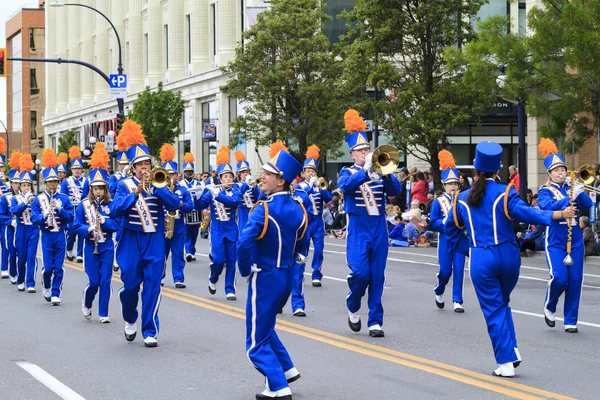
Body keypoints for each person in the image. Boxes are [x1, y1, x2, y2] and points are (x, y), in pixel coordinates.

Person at [444, 141, 575, 378]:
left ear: (475, 169)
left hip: (482, 257)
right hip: (508, 256)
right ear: (498, 169)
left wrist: (470, 248)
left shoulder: (461, 198)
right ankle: (512, 350)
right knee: (502, 304)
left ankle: (505, 362)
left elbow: (449, 229)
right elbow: (530, 213)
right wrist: (559, 214)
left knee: (494, 309)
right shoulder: (506, 191)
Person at [237, 146, 309, 400]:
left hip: (265, 276)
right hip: (286, 276)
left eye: (268, 173)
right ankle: (287, 369)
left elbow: (243, 243)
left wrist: (246, 269)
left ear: (281, 181)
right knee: (265, 327)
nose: (262, 176)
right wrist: (295, 260)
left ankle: (278, 386)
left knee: (255, 343)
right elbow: (303, 241)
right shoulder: (299, 208)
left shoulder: (263, 209)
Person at [112, 120, 180, 347]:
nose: (144, 168)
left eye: (147, 164)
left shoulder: (160, 184)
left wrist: (158, 190)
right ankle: (130, 317)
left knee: (152, 284)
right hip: (131, 240)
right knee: (131, 285)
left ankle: (150, 329)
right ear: (132, 168)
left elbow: (175, 205)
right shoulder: (124, 185)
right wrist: (136, 194)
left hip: (154, 240)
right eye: (139, 165)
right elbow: (115, 210)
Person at [338, 109, 401, 337]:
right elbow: (346, 188)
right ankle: (353, 304)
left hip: (378, 227)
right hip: (358, 227)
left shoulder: (380, 171)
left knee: (377, 275)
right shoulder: (346, 172)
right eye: (361, 151)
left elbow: (397, 192)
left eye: (367, 150)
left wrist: (385, 174)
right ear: (353, 154)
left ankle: (375, 321)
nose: (365, 153)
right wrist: (365, 173)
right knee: (360, 274)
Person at [537, 138, 594, 333]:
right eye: (557, 170)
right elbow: (546, 207)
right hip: (555, 239)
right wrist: (565, 200)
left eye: (563, 169)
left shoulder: (571, 187)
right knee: (560, 278)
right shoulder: (545, 190)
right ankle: (550, 305)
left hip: (575, 239)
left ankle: (570, 320)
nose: (561, 173)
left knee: (576, 280)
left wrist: (578, 191)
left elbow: (588, 205)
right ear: (550, 173)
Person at [73, 143, 120, 322]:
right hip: (90, 246)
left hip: (107, 246)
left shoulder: (111, 204)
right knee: (94, 281)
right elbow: (76, 226)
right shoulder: (84, 205)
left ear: (105, 189)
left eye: (101, 188)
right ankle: (87, 300)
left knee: (106, 281)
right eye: (95, 188)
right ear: (91, 189)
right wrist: (89, 228)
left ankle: (103, 313)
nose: (98, 191)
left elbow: (117, 224)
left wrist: (105, 222)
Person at [288, 144, 333, 316]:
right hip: (305, 224)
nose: (311, 174)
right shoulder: (300, 187)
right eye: (308, 171)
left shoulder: (318, 185)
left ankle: (316, 273)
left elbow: (329, 200)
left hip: (318, 221)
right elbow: (301, 198)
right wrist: (310, 186)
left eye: (313, 171)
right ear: (303, 173)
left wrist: (323, 188)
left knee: (320, 249)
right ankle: (291, 296)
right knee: (301, 255)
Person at [30, 148, 74, 305]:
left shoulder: (64, 198)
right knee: (48, 268)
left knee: (59, 267)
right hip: (47, 235)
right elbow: (33, 217)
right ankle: (47, 285)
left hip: (60, 234)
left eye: (55, 182)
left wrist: (59, 209)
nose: (53, 184)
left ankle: (56, 293)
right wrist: (44, 215)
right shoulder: (38, 199)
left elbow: (70, 217)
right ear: (46, 183)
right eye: (50, 182)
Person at [198, 146, 242, 300]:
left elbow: (234, 202)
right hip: (216, 228)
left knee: (231, 260)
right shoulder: (212, 191)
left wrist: (216, 194)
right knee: (218, 259)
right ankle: (213, 277)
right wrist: (202, 193)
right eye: (225, 177)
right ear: (220, 179)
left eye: (230, 177)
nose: (228, 179)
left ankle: (230, 289)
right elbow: (200, 205)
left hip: (231, 228)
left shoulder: (236, 191)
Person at [429, 150, 466, 312]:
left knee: (459, 270)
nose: (453, 186)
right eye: (450, 184)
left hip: (459, 239)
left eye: (455, 184)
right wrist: (444, 223)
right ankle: (439, 288)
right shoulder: (438, 202)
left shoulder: (463, 200)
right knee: (445, 271)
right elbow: (432, 222)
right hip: (445, 239)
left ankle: (457, 300)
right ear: (444, 185)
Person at [160, 144, 194, 288]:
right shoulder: (159, 189)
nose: (170, 177)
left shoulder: (183, 190)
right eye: (167, 174)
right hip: (163, 225)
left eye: (172, 174)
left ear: (176, 175)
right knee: (161, 253)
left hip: (179, 225)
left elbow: (190, 206)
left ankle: (178, 278)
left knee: (178, 253)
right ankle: (160, 276)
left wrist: (180, 205)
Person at [10, 154, 41, 293]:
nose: (26, 187)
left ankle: (30, 282)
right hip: (21, 229)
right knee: (21, 256)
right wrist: (24, 202)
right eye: (24, 185)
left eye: (28, 185)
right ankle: (20, 279)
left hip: (33, 229)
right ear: (20, 187)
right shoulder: (16, 198)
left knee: (31, 256)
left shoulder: (36, 199)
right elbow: (15, 211)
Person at [61, 146, 90, 263]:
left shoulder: (86, 181)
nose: (77, 170)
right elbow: (63, 196)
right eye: (75, 168)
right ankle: (69, 248)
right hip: (71, 208)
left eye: (79, 168)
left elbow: (87, 195)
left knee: (82, 231)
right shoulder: (66, 181)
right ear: (71, 170)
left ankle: (80, 254)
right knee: (72, 231)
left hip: (82, 208)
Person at [0, 151, 22, 283]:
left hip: (6, 220)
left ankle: (6, 268)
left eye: (2, 167)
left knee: (6, 243)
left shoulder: (7, 187)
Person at [180, 153, 205, 261]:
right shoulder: (180, 184)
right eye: (186, 171)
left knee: (195, 232)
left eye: (190, 171)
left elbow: (203, 197)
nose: (188, 173)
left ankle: (192, 250)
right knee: (186, 232)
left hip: (196, 211)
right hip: (186, 211)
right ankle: (188, 251)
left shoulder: (199, 184)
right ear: (184, 172)